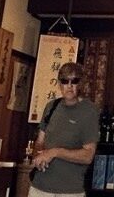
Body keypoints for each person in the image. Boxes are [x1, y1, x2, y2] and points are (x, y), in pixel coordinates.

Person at [30, 62, 100, 197]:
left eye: (74, 81)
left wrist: (55, 152)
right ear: (59, 83)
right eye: (64, 81)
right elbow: (39, 141)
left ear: (81, 84)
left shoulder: (89, 111)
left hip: (70, 190)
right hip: (40, 186)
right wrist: (38, 157)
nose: (69, 86)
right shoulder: (51, 106)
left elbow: (88, 156)